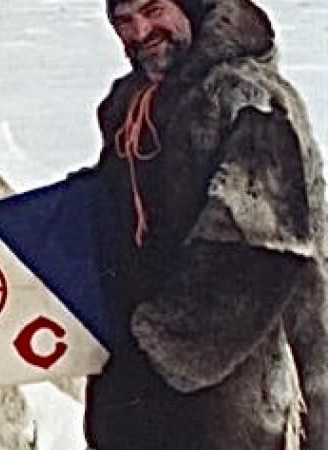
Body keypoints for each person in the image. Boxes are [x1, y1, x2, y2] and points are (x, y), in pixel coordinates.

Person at [86, 0, 326, 448]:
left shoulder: (249, 101)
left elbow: (257, 250)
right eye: (123, 21)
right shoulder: (131, 107)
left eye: (154, 10)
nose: (140, 32)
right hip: (145, 390)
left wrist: (163, 347)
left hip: (237, 395)